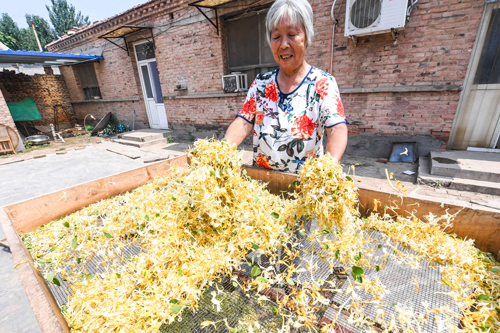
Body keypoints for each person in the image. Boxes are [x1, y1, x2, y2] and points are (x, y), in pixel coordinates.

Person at [224, 0, 348, 174]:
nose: (283, 44)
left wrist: (327, 172)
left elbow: (337, 128)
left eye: (292, 34)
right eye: (276, 37)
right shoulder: (261, 84)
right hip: (261, 185)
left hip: (305, 188)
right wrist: (220, 152)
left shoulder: (322, 83)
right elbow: (243, 122)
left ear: (306, 36)